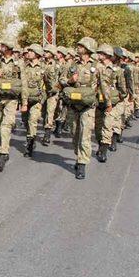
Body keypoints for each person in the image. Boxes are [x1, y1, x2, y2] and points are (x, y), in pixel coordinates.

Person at [60, 37, 101, 180]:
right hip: (74, 104)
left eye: (81, 45)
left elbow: (104, 85)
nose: (78, 47)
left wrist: (105, 102)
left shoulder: (97, 66)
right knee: (74, 133)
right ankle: (79, 157)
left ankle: (82, 164)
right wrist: (70, 81)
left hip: (88, 106)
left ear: (88, 48)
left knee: (85, 134)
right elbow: (62, 80)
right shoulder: (71, 65)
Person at [0, 38, 25, 172]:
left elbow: (23, 84)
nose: (0, 47)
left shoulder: (19, 63)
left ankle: (3, 153)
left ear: (8, 48)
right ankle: (4, 148)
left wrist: (24, 102)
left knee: (6, 125)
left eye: (2, 45)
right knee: (0, 124)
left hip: (11, 99)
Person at [21, 44, 47, 157]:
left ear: (37, 54)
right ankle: (30, 135)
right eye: (28, 51)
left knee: (33, 120)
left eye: (31, 51)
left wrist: (43, 98)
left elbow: (49, 84)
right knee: (25, 120)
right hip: (25, 99)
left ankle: (30, 144)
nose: (29, 53)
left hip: (36, 99)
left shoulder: (44, 67)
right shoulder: (23, 67)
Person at [40, 44, 59, 146]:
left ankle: (47, 134)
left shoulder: (56, 65)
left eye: (47, 52)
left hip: (53, 93)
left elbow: (61, 80)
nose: (45, 53)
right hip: (43, 92)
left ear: (52, 54)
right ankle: (46, 126)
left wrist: (56, 89)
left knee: (50, 111)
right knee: (43, 113)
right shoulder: (41, 64)